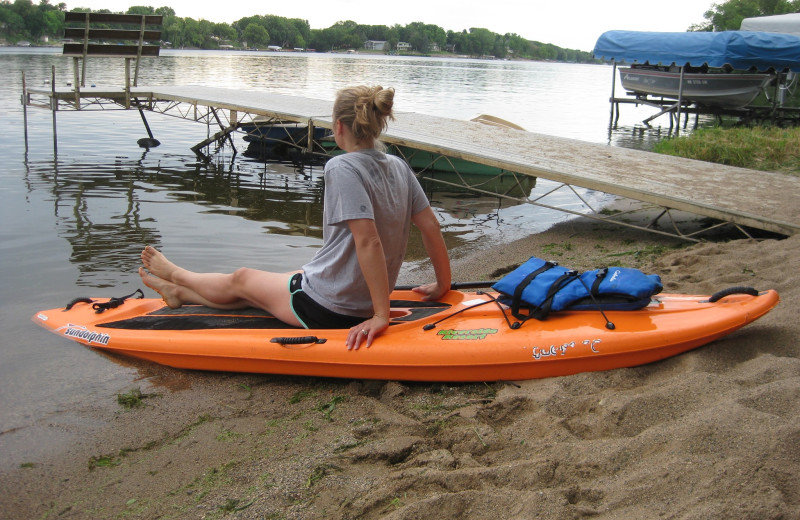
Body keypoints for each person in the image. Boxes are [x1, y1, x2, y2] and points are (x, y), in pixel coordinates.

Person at [139, 85, 451, 350]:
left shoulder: (341, 167)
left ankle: (177, 275)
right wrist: (443, 283)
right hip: (354, 296)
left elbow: (367, 241)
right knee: (254, 295)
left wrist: (382, 316)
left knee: (242, 278)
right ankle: (179, 293)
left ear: (339, 127)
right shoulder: (397, 166)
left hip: (332, 307)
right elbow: (430, 226)